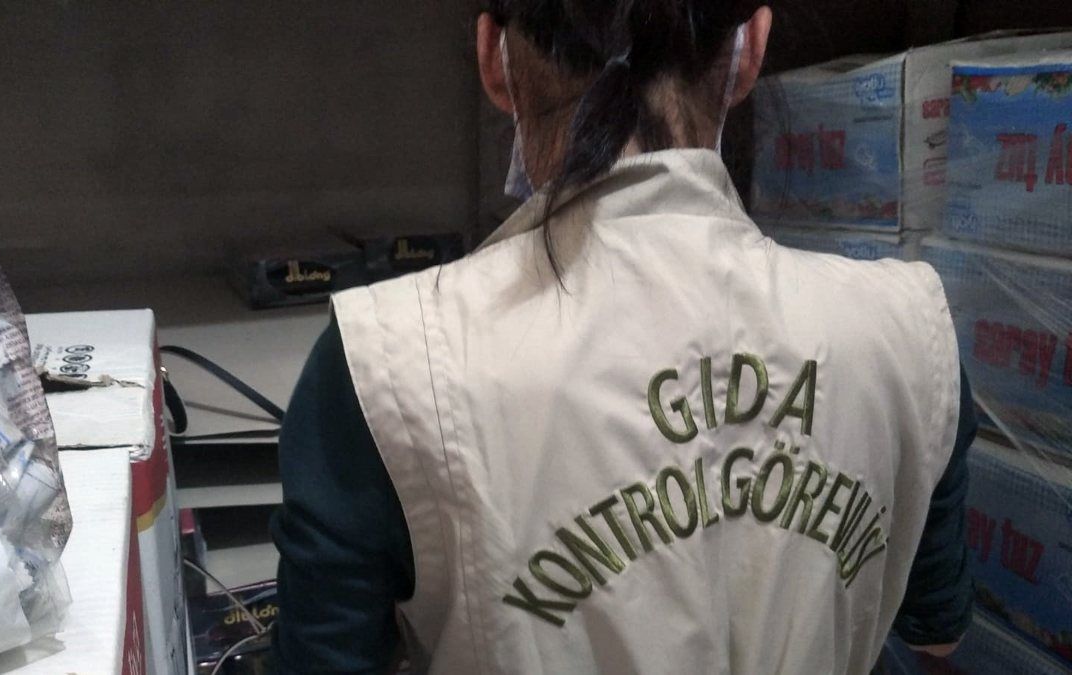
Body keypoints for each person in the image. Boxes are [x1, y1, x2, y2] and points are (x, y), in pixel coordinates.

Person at [270, 1, 975, 673]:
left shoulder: (387, 361)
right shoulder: (907, 328)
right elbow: (938, 633)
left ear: (493, 59)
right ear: (750, 50)